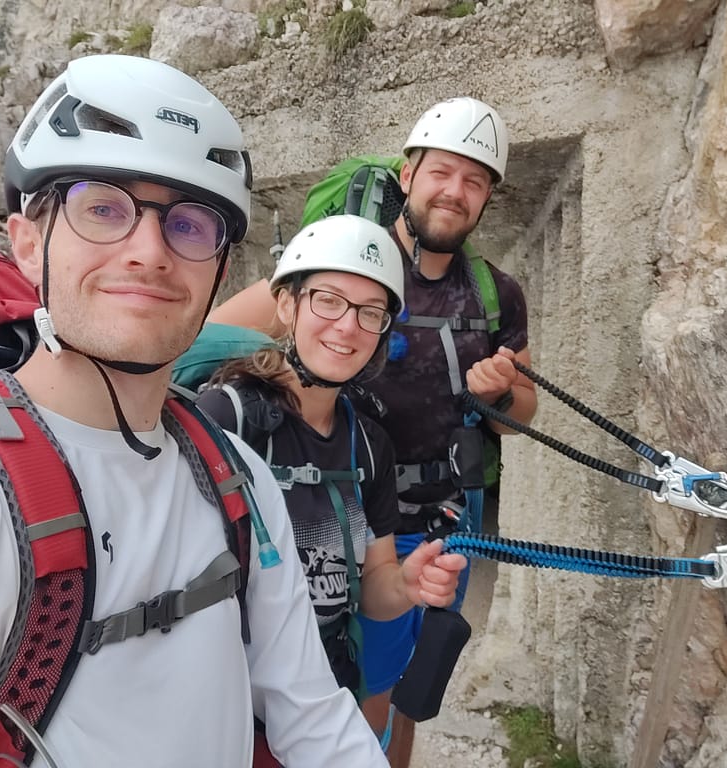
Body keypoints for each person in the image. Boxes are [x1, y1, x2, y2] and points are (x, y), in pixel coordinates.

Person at [0, 54, 392, 767]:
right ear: (28, 242)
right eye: (103, 207)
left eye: (190, 224)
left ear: (218, 270)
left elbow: (312, 712)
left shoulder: (237, 476)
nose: (148, 251)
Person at [207, 97, 537, 767]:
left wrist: (501, 390)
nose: (456, 191)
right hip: (333, 502)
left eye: (475, 181)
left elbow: (526, 412)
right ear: (408, 173)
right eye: (443, 172)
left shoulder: (495, 294)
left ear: (488, 199)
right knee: (345, 683)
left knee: (410, 685)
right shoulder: (348, 258)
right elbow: (210, 333)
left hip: (437, 519)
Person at [194, 214, 467, 758]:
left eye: (371, 313)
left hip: (322, 695)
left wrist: (407, 588)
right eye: (328, 300)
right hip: (228, 706)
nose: (347, 327)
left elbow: (375, 587)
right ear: (288, 305)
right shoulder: (224, 417)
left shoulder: (369, 444)